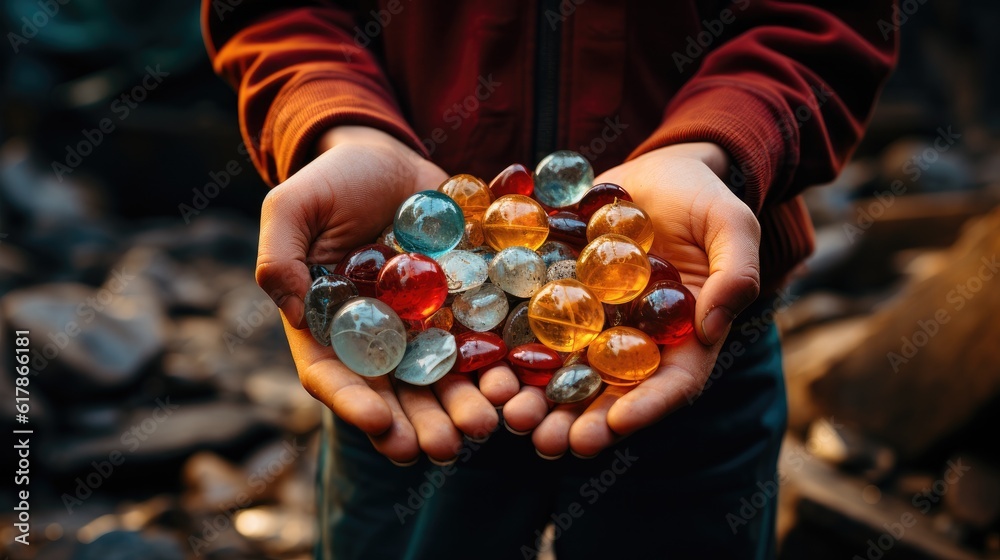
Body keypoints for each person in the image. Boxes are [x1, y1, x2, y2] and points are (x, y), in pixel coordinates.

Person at [203, 2, 896, 558]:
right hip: (406, 346)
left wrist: (718, 143)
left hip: (701, 304)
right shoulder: (429, 285)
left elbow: (831, 18)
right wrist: (341, 128)